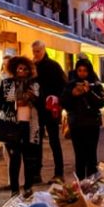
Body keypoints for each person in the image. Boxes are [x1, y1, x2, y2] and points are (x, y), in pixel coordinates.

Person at [0, 57, 42, 197]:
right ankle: (14, 189)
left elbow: (41, 103)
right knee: (14, 158)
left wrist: (33, 98)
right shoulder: (7, 83)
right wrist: (14, 104)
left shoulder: (34, 84)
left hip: (30, 125)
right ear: (14, 69)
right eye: (20, 68)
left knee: (29, 158)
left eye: (25, 69)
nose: (22, 71)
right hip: (12, 125)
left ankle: (28, 187)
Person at [63, 59, 104, 180]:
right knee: (79, 155)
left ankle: (92, 182)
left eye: (85, 71)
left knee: (91, 155)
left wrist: (89, 92)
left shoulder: (96, 85)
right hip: (76, 124)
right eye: (79, 70)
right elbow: (64, 103)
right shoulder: (70, 85)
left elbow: (101, 102)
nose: (82, 73)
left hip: (91, 124)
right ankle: (81, 183)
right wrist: (73, 94)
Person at [32, 41, 67, 181]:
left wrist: (57, 100)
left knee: (54, 141)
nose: (36, 54)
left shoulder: (53, 65)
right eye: (34, 51)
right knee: (37, 141)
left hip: (50, 108)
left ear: (43, 50)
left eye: (38, 51)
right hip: (37, 108)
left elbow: (63, 85)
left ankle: (59, 173)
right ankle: (36, 173)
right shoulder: (32, 66)